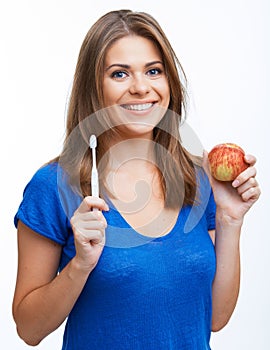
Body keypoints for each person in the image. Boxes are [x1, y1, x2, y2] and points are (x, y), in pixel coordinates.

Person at [12, 9, 261, 350]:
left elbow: (215, 317)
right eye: (119, 74)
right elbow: (29, 329)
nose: (141, 88)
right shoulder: (54, 186)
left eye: (154, 71)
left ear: (169, 81)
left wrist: (229, 220)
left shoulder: (198, 178)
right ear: (93, 87)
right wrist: (80, 266)